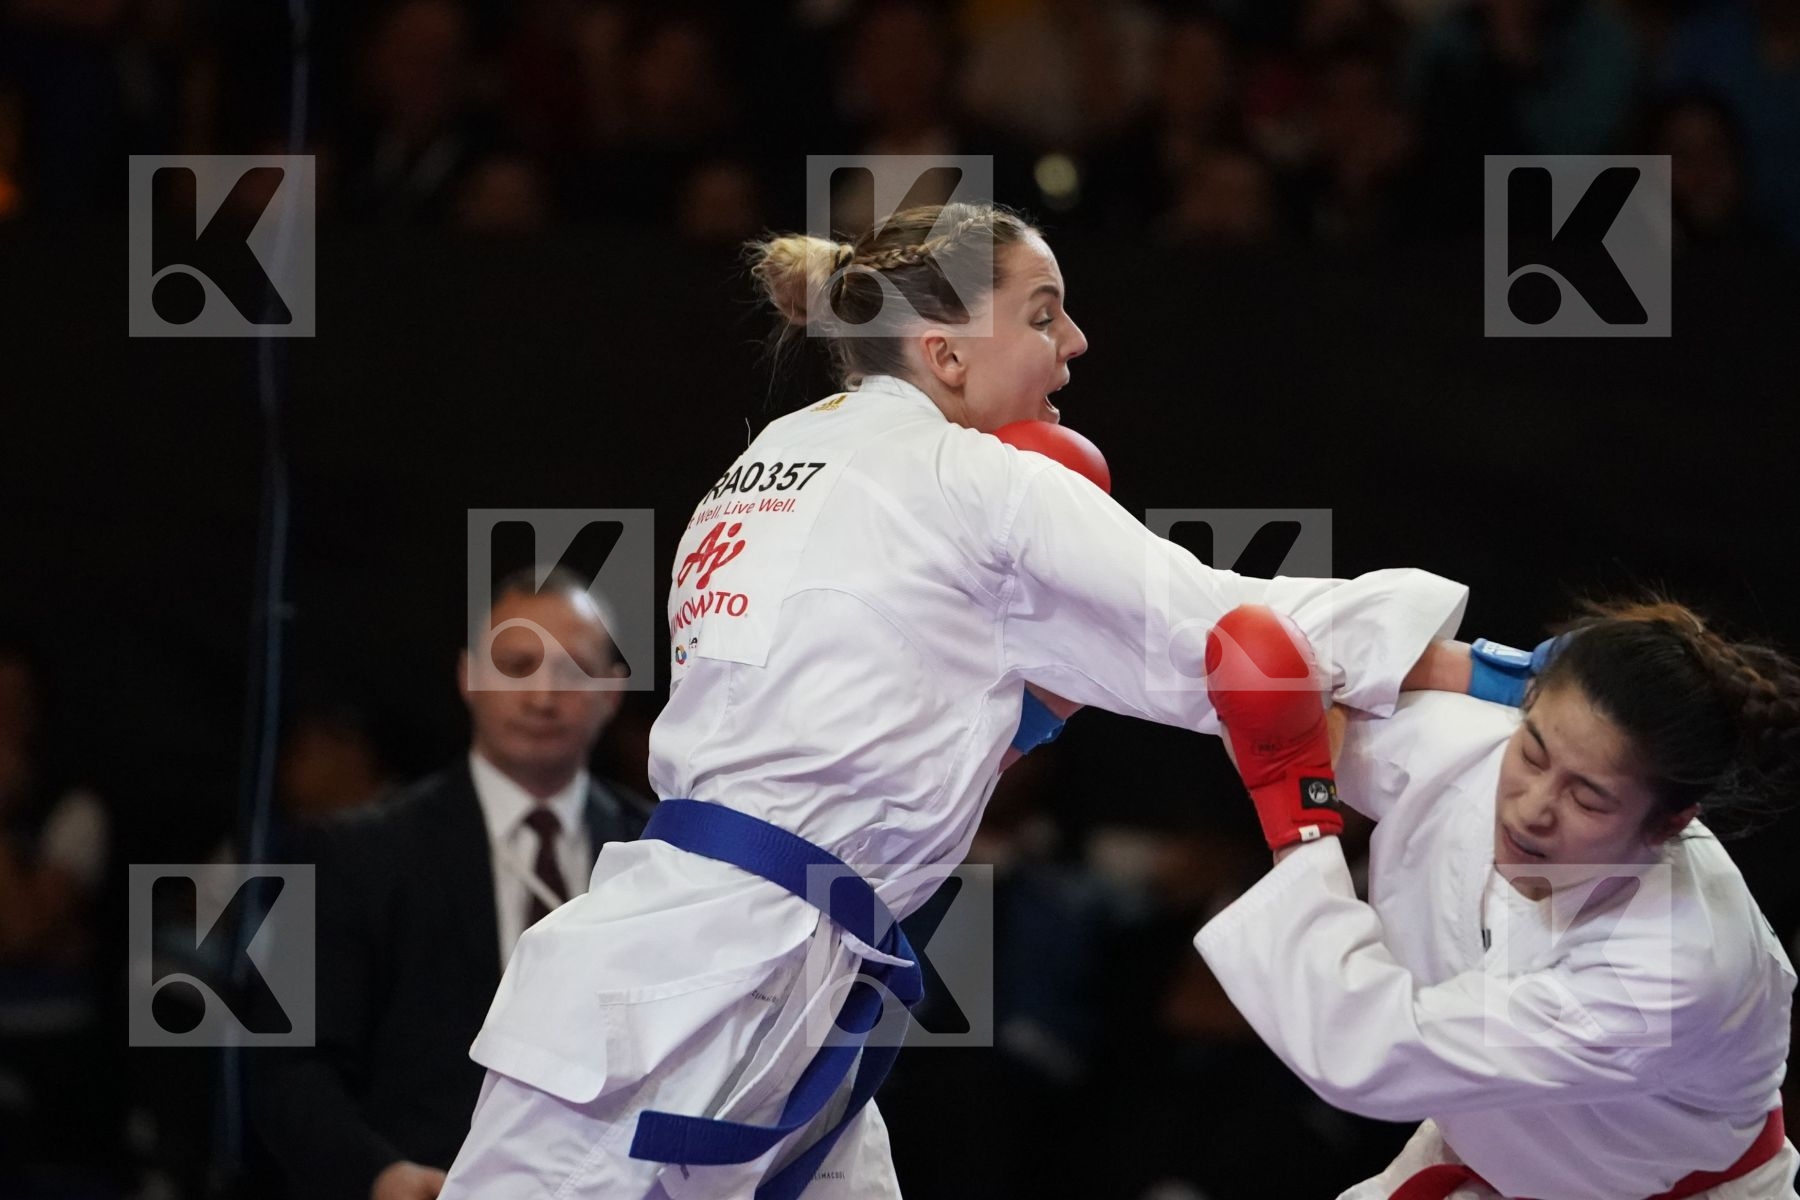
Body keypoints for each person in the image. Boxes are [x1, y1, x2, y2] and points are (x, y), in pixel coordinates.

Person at [440, 200, 1471, 1199]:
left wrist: (1028, 713)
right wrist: (1518, 674)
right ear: (944, 355)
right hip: (689, 998)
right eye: (1041, 312)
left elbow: (897, 705)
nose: (1074, 340)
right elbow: (1236, 631)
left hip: (749, 972)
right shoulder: (972, 478)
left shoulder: (771, 463)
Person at [1196, 598, 1800, 1199]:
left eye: (1587, 800)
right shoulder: (1478, 751)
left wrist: (1294, 813)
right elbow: (1266, 658)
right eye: (1533, 753)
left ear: (1669, 825)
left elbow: (1374, 1047)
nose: (1532, 809)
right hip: (1500, 1160)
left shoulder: (1672, 966)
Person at [251, 568, 651, 1200]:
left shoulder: (661, 854)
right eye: (516, 665)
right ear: (468, 676)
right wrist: (380, 1176)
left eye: (573, 670)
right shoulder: (350, 853)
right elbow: (287, 1067)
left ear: (612, 692)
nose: (543, 695)